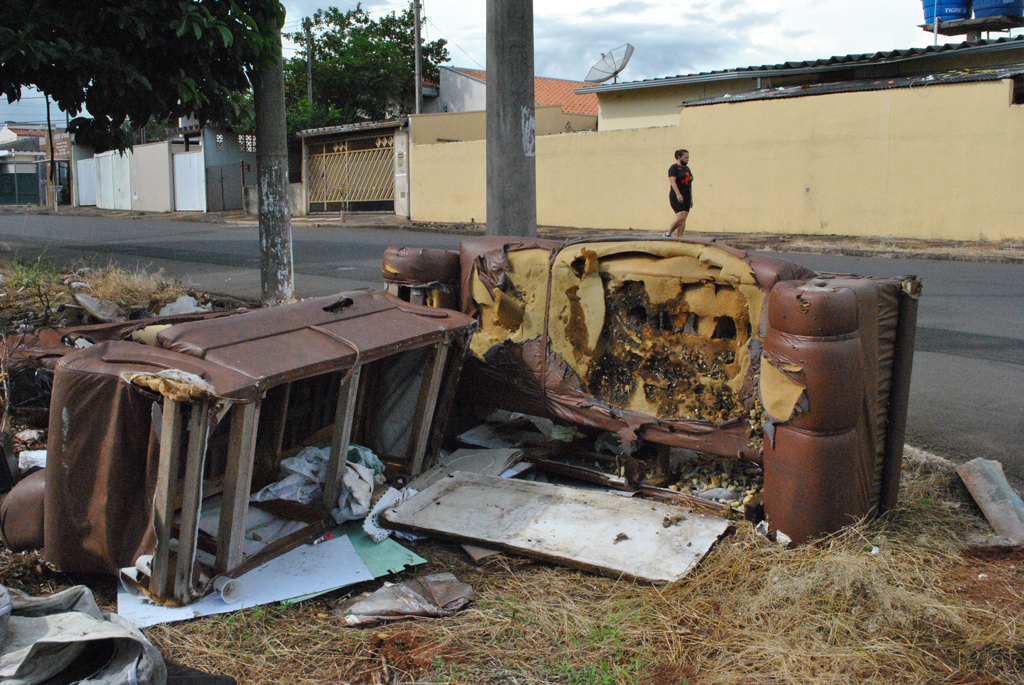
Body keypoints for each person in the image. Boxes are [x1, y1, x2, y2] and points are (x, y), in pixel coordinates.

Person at [666, 149, 693, 237]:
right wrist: (678, 194)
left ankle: (679, 237)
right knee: (680, 217)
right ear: (679, 157)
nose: (687, 159)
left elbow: (690, 183)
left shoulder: (687, 169)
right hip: (677, 195)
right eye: (685, 158)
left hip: (687, 196)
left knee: (683, 219)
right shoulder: (673, 168)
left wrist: (691, 198)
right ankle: (668, 233)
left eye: (688, 158)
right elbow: (672, 182)